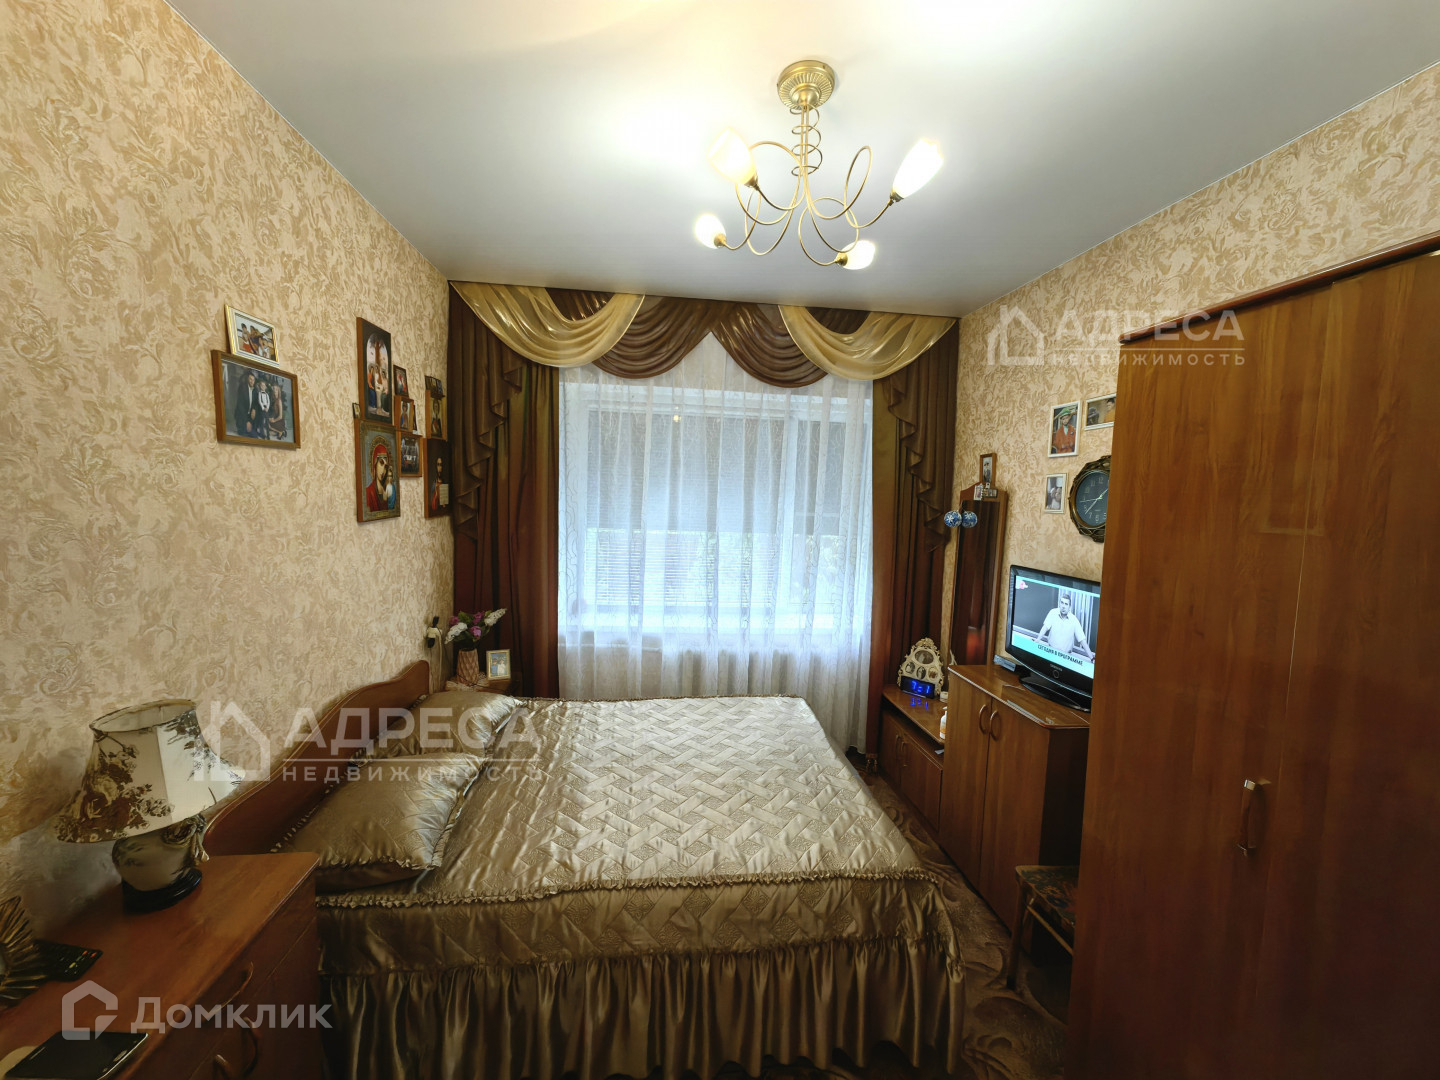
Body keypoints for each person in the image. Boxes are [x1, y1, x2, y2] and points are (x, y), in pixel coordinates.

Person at [1035, 590, 1094, 660]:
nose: (1063, 606)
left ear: (1069, 607)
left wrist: (1092, 658)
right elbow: (1045, 627)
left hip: (1065, 657)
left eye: (1066, 604)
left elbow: (1082, 640)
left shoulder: (1074, 620)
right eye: (1062, 603)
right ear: (1059, 604)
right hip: (1050, 653)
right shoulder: (1053, 612)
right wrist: (1038, 640)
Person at [365, 440, 396, 513]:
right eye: (381, 463)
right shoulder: (368, 492)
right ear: (375, 464)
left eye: (386, 466)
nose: (384, 469)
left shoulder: (390, 490)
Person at [230, 368, 261, 438]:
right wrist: (247, 421)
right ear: (248, 379)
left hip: (250, 415)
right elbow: (240, 406)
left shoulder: (255, 390)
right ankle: (244, 428)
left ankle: (253, 429)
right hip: (242, 415)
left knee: (254, 435)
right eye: (250, 379)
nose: (252, 381)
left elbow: (256, 402)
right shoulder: (242, 388)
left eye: (253, 380)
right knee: (243, 433)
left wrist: (254, 409)